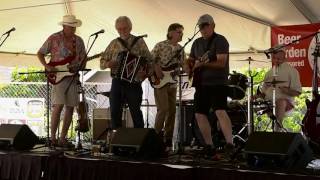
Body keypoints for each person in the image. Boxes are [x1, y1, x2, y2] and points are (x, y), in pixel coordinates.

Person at [184, 14, 234, 159]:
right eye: (201, 27)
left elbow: (221, 63)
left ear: (213, 25)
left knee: (220, 111)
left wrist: (203, 64)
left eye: (206, 26)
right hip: (201, 83)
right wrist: (188, 66)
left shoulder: (220, 40)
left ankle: (230, 143)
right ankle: (209, 145)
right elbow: (191, 59)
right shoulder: (196, 43)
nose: (203, 29)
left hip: (218, 82)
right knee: (199, 113)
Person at [37, 14, 87, 147]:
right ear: (64, 26)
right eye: (71, 27)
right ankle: (53, 138)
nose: (73, 29)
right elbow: (40, 52)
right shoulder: (54, 38)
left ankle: (62, 138)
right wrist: (47, 66)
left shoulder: (79, 41)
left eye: (74, 27)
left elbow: (84, 58)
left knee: (70, 107)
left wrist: (81, 65)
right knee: (58, 106)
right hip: (58, 77)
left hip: (73, 77)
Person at [100, 16, 152, 130]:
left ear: (130, 27)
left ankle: (139, 140)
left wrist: (145, 72)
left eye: (124, 28)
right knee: (114, 110)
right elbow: (102, 61)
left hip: (134, 82)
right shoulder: (114, 43)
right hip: (117, 81)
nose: (122, 31)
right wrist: (108, 64)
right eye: (119, 29)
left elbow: (149, 60)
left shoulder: (139, 42)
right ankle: (116, 140)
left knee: (135, 111)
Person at [151, 23, 184, 146]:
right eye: (179, 32)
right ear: (170, 33)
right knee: (163, 109)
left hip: (173, 81)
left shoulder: (180, 48)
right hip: (160, 81)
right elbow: (150, 59)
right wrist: (156, 68)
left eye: (181, 32)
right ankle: (155, 137)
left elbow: (182, 64)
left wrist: (186, 68)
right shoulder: (160, 45)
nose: (181, 34)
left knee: (172, 111)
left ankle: (168, 139)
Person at [258, 49, 302, 131]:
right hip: (269, 101)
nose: (276, 60)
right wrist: (257, 96)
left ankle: (278, 130)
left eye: (279, 58)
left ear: (285, 58)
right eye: (274, 58)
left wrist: (286, 90)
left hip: (286, 102)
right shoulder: (269, 73)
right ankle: (253, 129)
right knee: (253, 103)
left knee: (280, 102)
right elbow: (264, 92)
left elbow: (297, 92)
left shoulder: (292, 71)